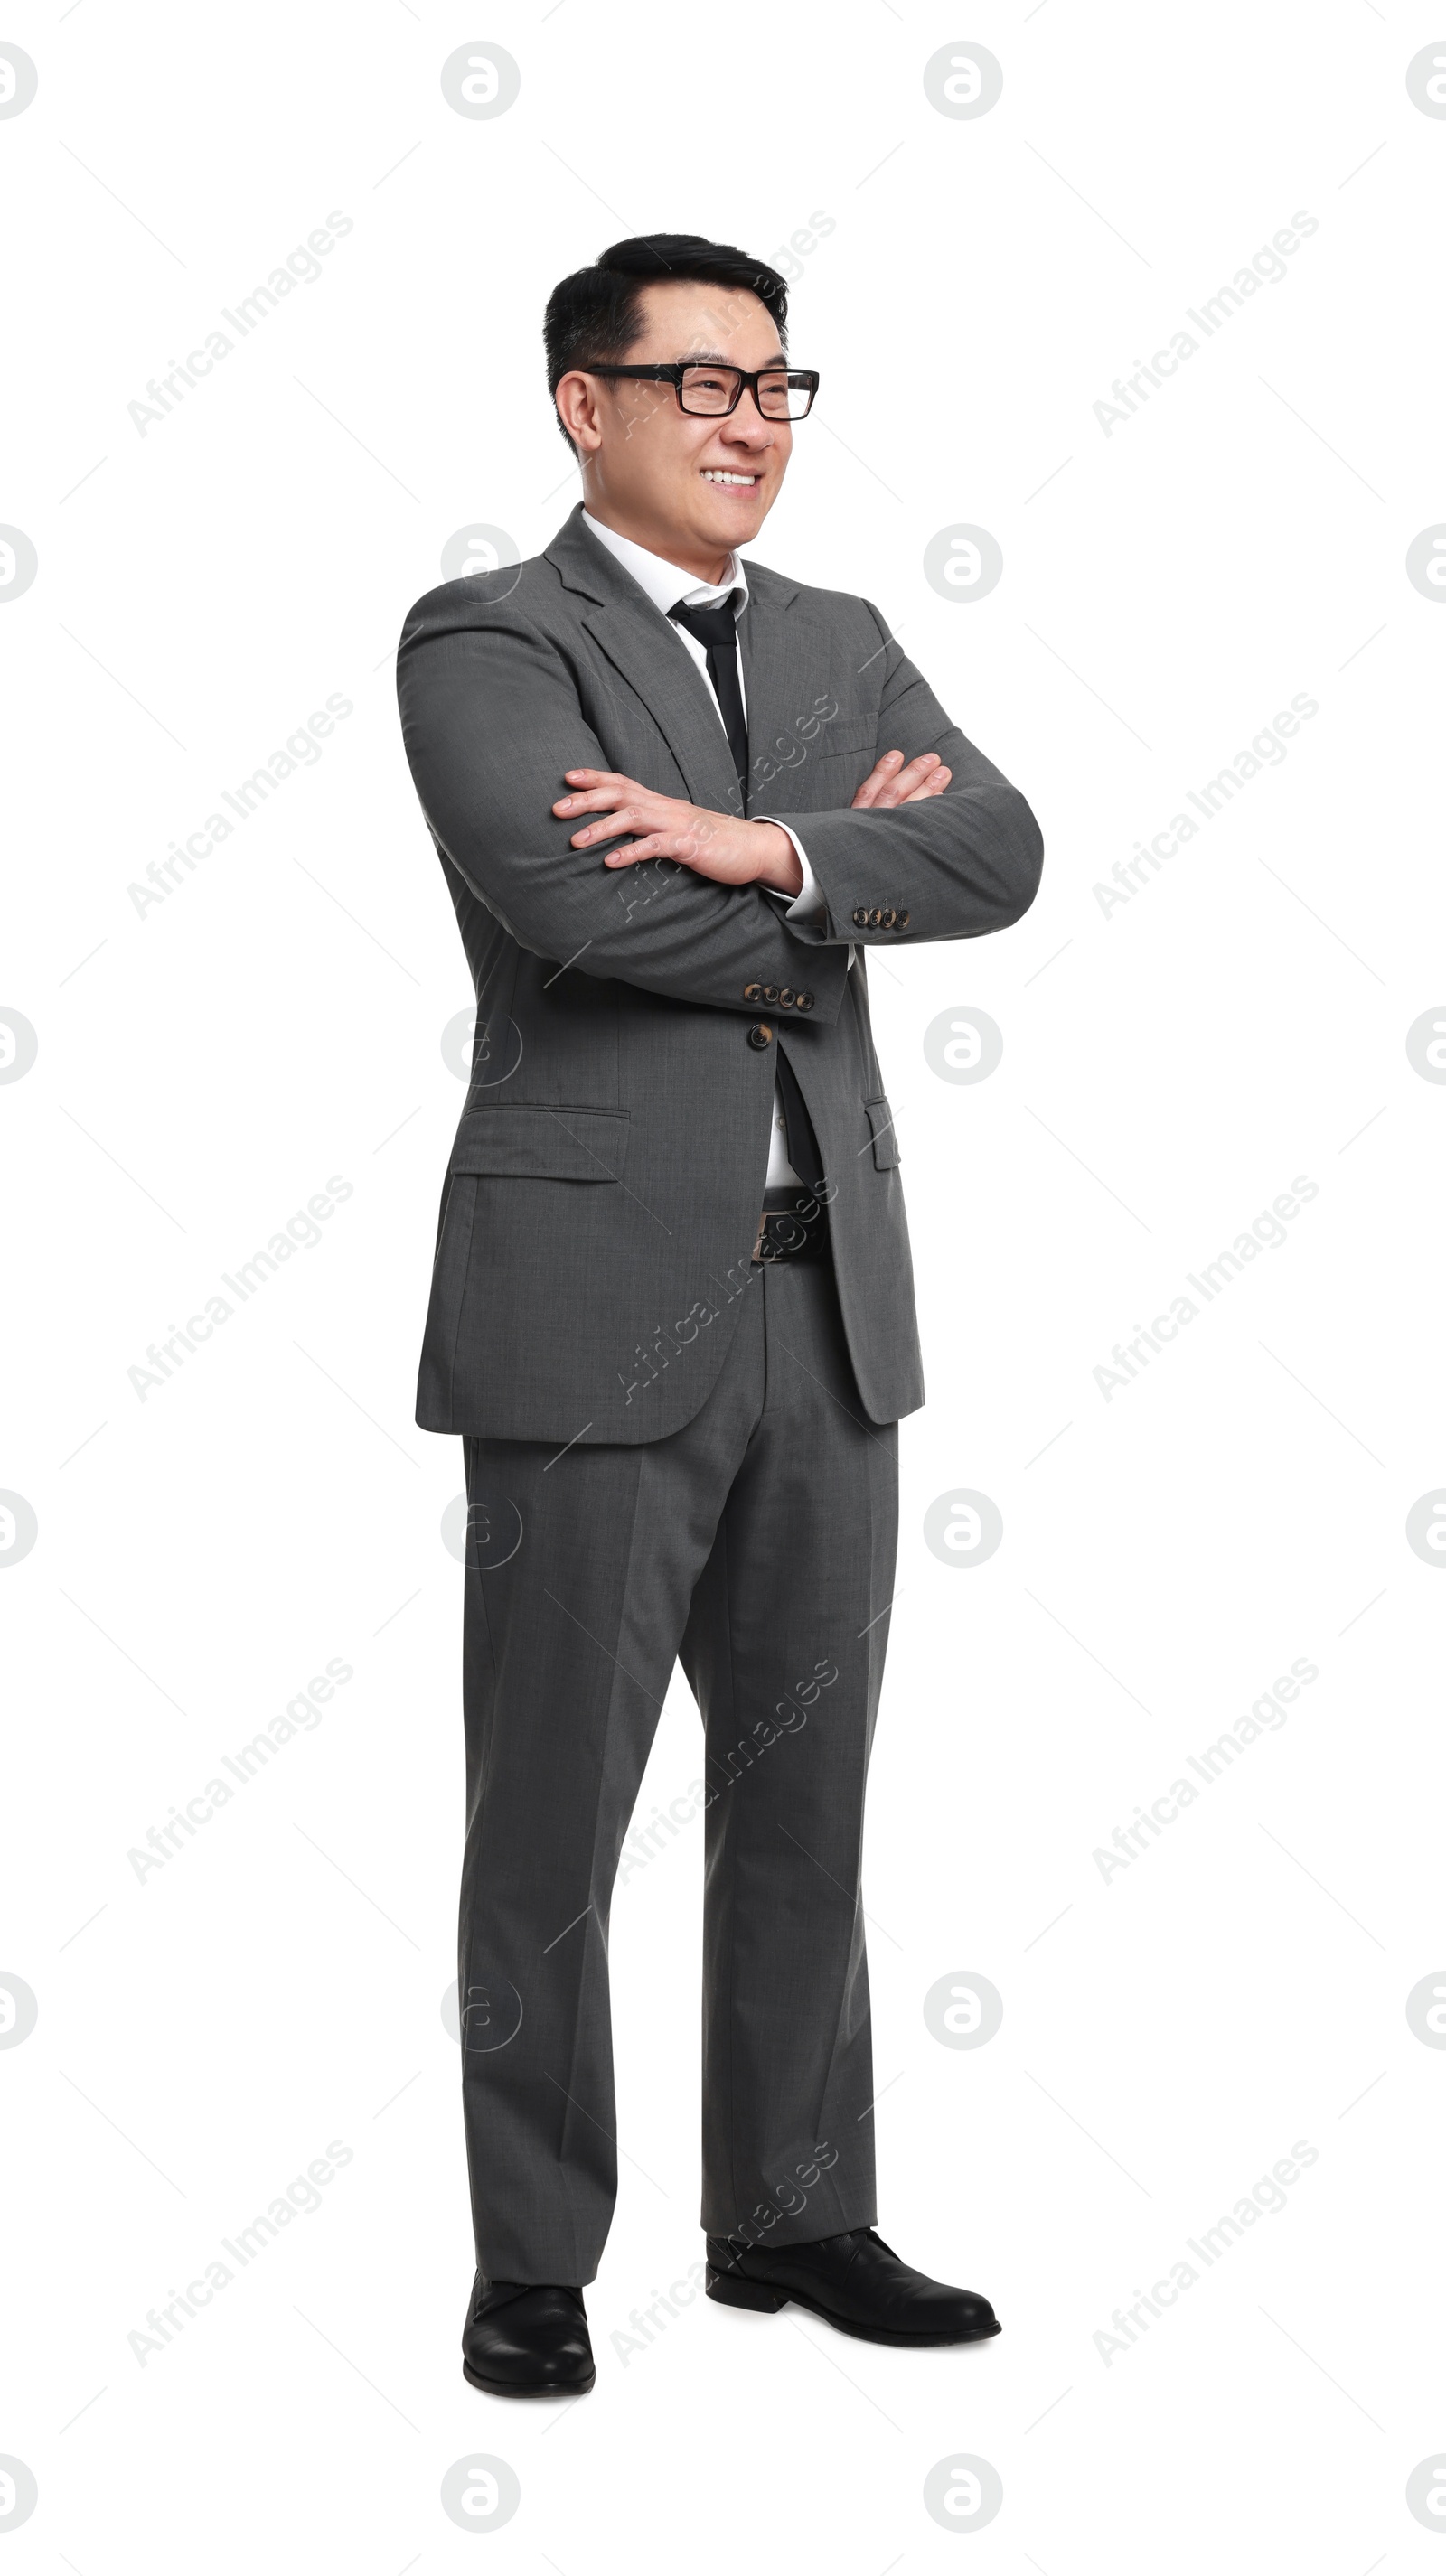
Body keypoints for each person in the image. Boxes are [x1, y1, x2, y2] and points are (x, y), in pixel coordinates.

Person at [395, 232, 1043, 2398]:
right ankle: (531, 2255)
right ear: (583, 403)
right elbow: (559, 902)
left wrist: (751, 846)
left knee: (805, 1794)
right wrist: (840, 880)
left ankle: (788, 2209)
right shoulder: (491, 634)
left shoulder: (846, 638)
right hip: (588, 1316)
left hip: (827, 1315)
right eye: (699, 383)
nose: (749, 420)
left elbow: (1007, 851)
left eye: (776, 383)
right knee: (552, 1812)